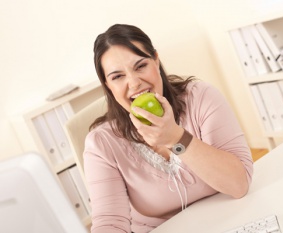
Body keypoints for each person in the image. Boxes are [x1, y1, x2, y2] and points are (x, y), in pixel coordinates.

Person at [84, 24, 254, 233]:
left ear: (156, 61)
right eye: (117, 76)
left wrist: (176, 138)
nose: (134, 83)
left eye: (140, 66)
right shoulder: (101, 142)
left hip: (230, 219)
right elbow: (110, 223)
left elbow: (239, 184)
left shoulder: (200, 97)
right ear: (107, 85)